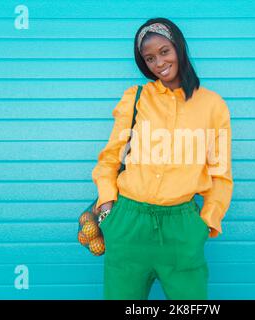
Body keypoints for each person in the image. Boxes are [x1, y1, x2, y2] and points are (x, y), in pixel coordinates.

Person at [91, 17, 233, 300]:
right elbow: (109, 159)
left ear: (179, 48)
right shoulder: (135, 98)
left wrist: (204, 225)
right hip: (129, 225)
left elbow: (220, 174)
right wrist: (108, 212)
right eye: (150, 58)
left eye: (164, 51)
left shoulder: (212, 105)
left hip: (182, 229)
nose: (159, 62)